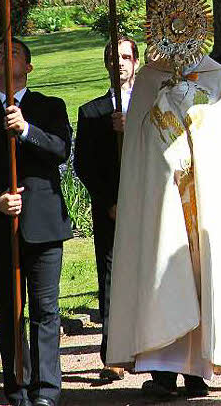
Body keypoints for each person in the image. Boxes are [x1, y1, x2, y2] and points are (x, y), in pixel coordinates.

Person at [107, 42, 221, 399]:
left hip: (204, 198)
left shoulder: (219, 80)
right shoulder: (148, 79)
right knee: (162, 270)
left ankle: (198, 368)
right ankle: (161, 369)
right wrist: (164, 103)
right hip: (162, 198)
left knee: (201, 273)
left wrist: (192, 107)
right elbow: (141, 145)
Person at [0, 39, 73, 406]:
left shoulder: (50, 108)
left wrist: (25, 129)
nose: (6, 58)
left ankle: (46, 391)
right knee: (8, 311)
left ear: (29, 67)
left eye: (15, 53)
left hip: (43, 225)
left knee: (45, 310)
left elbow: (61, 149)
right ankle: (17, 388)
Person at [74, 35, 139, 382]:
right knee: (111, 279)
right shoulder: (91, 111)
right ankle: (112, 352)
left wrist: (132, 131)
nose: (120, 63)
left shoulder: (149, 107)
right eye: (114, 58)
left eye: (127, 57)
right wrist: (108, 201)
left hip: (145, 207)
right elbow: (83, 163)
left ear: (136, 62)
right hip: (110, 208)